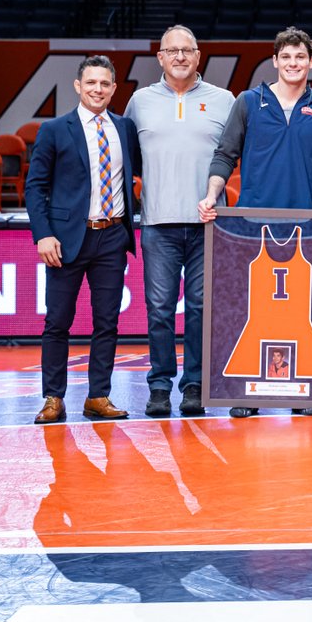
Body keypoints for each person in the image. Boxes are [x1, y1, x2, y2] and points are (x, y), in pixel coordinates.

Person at [198, 26, 312, 419]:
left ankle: (304, 389)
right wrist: (212, 195)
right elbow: (225, 155)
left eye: (300, 57)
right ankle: (246, 389)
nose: (293, 64)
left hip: (306, 226)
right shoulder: (248, 102)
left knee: (304, 311)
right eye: (286, 57)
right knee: (251, 310)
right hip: (252, 223)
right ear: (275, 61)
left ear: (311, 62)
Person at [126, 25, 234, 417]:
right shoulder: (140, 102)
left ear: (198, 55)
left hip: (209, 223)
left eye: (187, 50)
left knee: (202, 308)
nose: (180, 57)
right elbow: (131, 159)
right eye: (171, 51)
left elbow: (234, 154)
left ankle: (195, 385)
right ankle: (159, 386)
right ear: (160, 58)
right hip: (158, 223)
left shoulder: (224, 100)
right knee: (158, 309)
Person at [26, 55, 141, 424]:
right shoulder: (55, 130)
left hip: (112, 236)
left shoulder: (124, 128)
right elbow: (35, 186)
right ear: (78, 86)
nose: (97, 89)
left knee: (107, 322)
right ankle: (53, 398)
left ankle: (98, 396)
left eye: (104, 83)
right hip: (66, 239)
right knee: (58, 322)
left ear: (113, 89)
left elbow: (132, 178)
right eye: (91, 82)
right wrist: (43, 235)